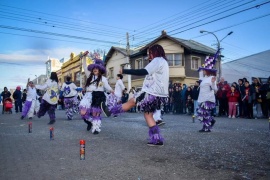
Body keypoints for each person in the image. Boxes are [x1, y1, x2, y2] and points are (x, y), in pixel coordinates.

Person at [108, 44, 169, 146]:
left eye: (150, 53)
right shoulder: (163, 62)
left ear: (155, 52)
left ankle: (111, 111)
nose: (149, 55)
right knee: (148, 115)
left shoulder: (157, 60)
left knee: (132, 102)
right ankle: (157, 139)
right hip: (159, 94)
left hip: (152, 92)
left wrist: (125, 70)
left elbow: (143, 71)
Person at [79, 51, 114, 134]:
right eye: (94, 68)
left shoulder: (103, 79)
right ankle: (90, 122)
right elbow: (84, 66)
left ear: (100, 70)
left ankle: (96, 129)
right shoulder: (89, 76)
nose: (95, 69)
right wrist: (84, 57)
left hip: (98, 96)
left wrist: (112, 91)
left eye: (97, 68)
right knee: (82, 112)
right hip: (88, 96)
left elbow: (108, 87)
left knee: (96, 113)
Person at [197, 53, 218, 132]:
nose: (203, 70)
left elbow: (215, 88)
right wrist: (200, 69)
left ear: (208, 71)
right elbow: (200, 77)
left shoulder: (212, 78)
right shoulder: (204, 78)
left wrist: (213, 83)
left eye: (205, 69)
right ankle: (209, 123)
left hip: (208, 98)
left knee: (204, 113)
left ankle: (206, 128)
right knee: (203, 113)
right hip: (202, 98)